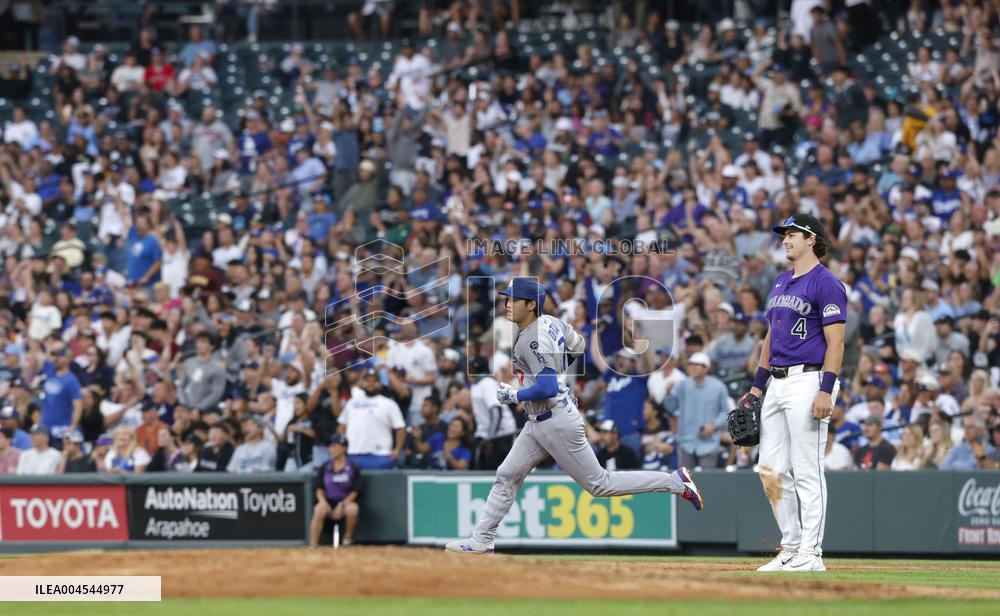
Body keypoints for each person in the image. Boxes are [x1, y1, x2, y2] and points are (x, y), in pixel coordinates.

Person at [446, 278, 702, 554]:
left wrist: (515, 396)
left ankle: (675, 482)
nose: (506, 304)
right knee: (507, 474)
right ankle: (482, 538)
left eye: (513, 300)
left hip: (554, 420)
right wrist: (553, 372)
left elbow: (547, 386)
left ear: (531, 305)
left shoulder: (531, 338)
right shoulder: (551, 322)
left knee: (600, 484)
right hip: (541, 420)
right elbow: (578, 345)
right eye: (506, 298)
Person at [746, 213, 846, 573]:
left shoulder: (827, 283)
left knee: (806, 469)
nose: (786, 240)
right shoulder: (780, 282)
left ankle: (811, 553)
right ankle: (789, 547)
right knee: (769, 469)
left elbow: (836, 342)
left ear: (812, 239)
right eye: (785, 234)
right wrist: (757, 388)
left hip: (809, 380)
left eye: (793, 234)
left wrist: (826, 389)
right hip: (777, 381)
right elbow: (770, 339)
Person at [666, 352, 730, 469]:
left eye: (697, 364)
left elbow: (725, 412)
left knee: (707, 481)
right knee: (684, 481)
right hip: (685, 440)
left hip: (709, 441)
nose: (692, 367)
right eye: (690, 364)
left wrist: (713, 426)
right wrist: (668, 393)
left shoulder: (718, 387)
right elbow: (670, 407)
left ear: (706, 368)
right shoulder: (682, 385)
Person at [337, 367, 406, 470]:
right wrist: (341, 447)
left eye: (375, 381)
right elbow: (342, 426)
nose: (371, 383)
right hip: (353, 452)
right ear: (362, 383)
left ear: (380, 384)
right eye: (367, 380)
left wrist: (397, 449)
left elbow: (400, 428)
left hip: (381, 454)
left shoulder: (389, 404)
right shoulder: (351, 403)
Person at [309, 434, 362, 548]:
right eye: (330, 446)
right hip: (328, 502)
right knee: (319, 509)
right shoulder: (325, 466)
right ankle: (313, 544)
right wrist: (323, 502)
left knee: (353, 509)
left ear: (344, 448)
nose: (332, 449)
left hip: (345, 501)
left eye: (335, 446)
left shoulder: (353, 466)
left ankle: (347, 539)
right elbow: (319, 488)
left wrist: (343, 504)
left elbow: (355, 490)